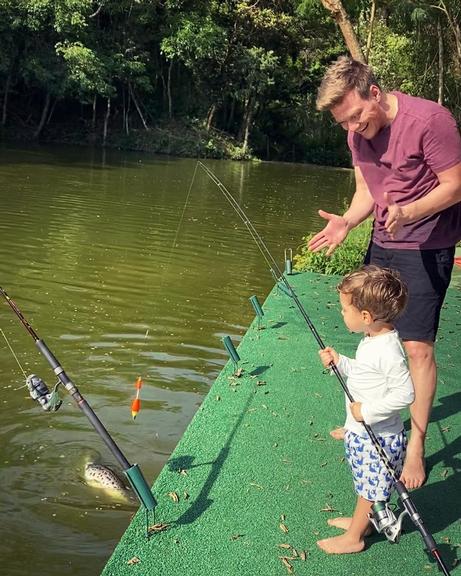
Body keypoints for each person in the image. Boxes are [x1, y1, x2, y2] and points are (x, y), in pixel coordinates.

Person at [309, 56, 461, 489]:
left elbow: (456, 184)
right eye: (343, 123)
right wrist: (347, 221)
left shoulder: (430, 120)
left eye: (356, 116)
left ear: (374, 93)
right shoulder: (357, 137)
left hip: (427, 244)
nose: (352, 128)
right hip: (383, 241)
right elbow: (365, 192)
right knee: (376, 335)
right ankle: (370, 421)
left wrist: (408, 211)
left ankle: (415, 446)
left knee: (416, 349)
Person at [317, 265, 414, 554]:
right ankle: (365, 522)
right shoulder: (372, 340)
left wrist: (367, 412)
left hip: (379, 438)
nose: (341, 314)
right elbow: (365, 374)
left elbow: (405, 393)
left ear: (365, 317)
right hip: (362, 433)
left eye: (344, 310)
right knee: (365, 485)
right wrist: (340, 362)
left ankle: (355, 537)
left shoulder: (388, 350)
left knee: (369, 490)